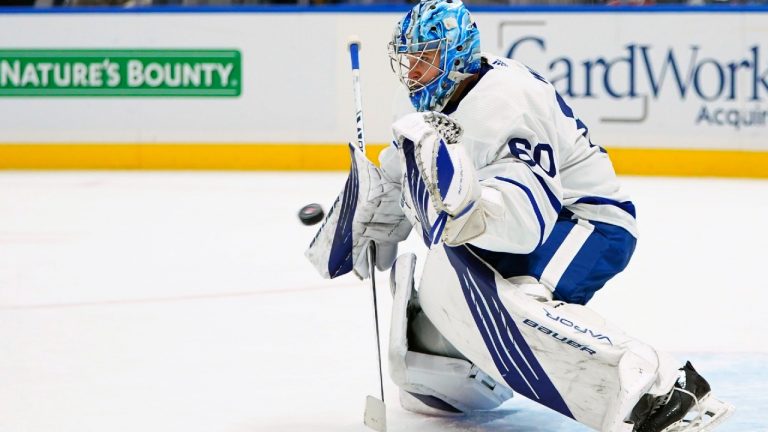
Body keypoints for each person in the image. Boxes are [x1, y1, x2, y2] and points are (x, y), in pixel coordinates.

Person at [306, 0, 733, 430]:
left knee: (518, 303)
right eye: (410, 58)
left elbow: (527, 222)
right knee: (444, 317)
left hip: (588, 221)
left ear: (457, 54)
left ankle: (664, 386)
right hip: (534, 221)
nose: (413, 71)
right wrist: (374, 213)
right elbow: (402, 171)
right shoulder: (416, 100)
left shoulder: (508, 101)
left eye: (426, 57)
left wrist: (470, 213)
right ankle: (460, 369)